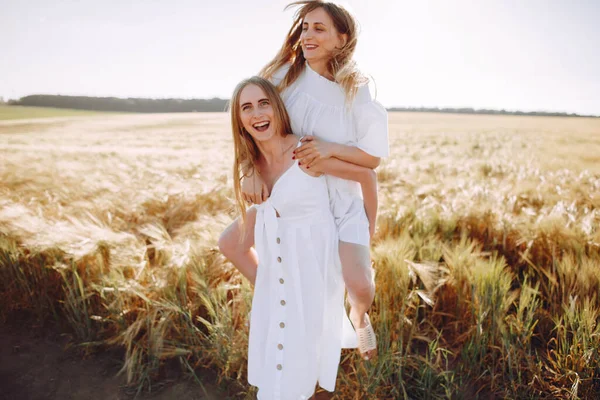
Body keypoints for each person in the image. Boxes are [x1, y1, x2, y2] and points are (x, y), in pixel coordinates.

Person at [238, 0, 389, 361]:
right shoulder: (283, 76)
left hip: (339, 197)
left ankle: (359, 315)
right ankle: (281, 302)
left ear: (342, 38)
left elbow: (372, 159)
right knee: (231, 242)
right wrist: (251, 170)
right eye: (304, 27)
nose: (307, 35)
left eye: (319, 29)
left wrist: (329, 149)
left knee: (359, 284)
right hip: (291, 194)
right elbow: (252, 127)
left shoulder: (357, 89)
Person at [219, 76, 377, 399]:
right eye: (246, 107)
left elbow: (367, 175)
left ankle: (359, 316)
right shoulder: (251, 164)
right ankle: (276, 288)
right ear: (239, 120)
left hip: (314, 258)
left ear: (277, 108)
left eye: (264, 103)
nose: (257, 113)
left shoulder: (304, 150)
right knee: (228, 242)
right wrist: (271, 284)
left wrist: (367, 233)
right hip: (280, 252)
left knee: (296, 368)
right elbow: (234, 240)